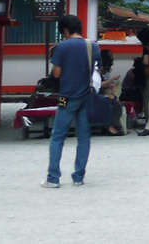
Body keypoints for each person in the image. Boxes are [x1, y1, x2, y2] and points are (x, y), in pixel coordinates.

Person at [42, 14, 100, 187]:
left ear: (65, 30)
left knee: (58, 136)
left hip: (66, 98)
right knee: (83, 137)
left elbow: (57, 73)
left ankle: (53, 178)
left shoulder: (62, 47)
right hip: (85, 96)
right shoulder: (92, 46)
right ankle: (78, 176)